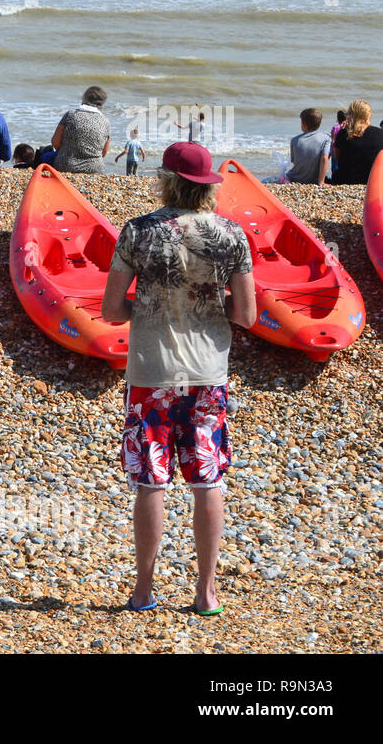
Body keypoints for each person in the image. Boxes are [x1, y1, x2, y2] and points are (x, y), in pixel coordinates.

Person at [101, 141, 256, 617]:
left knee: (152, 481)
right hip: (207, 373)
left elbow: (110, 310)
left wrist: (147, 310)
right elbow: (247, 315)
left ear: (166, 179)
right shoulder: (231, 235)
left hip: (152, 372)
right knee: (207, 480)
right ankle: (206, 593)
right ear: (205, 184)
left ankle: (144, 591)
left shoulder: (138, 232)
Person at [52, 85, 111, 174]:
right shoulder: (106, 121)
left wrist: (65, 153)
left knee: (46, 155)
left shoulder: (71, 115)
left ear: (84, 98)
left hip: (67, 166)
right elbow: (104, 152)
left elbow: (55, 142)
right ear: (102, 103)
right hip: (95, 169)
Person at [330, 100, 383, 185]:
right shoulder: (380, 134)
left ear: (350, 115)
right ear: (368, 115)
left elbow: (336, 157)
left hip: (344, 180)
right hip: (370, 181)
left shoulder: (343, 133)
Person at [285, 108, 332, 185]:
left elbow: (293, 160)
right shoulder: (326, 138)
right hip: (314, 180)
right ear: (319, 124)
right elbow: (324, 158)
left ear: (303, 124)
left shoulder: (295, 140)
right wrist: (321, 182)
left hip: (294, 178)